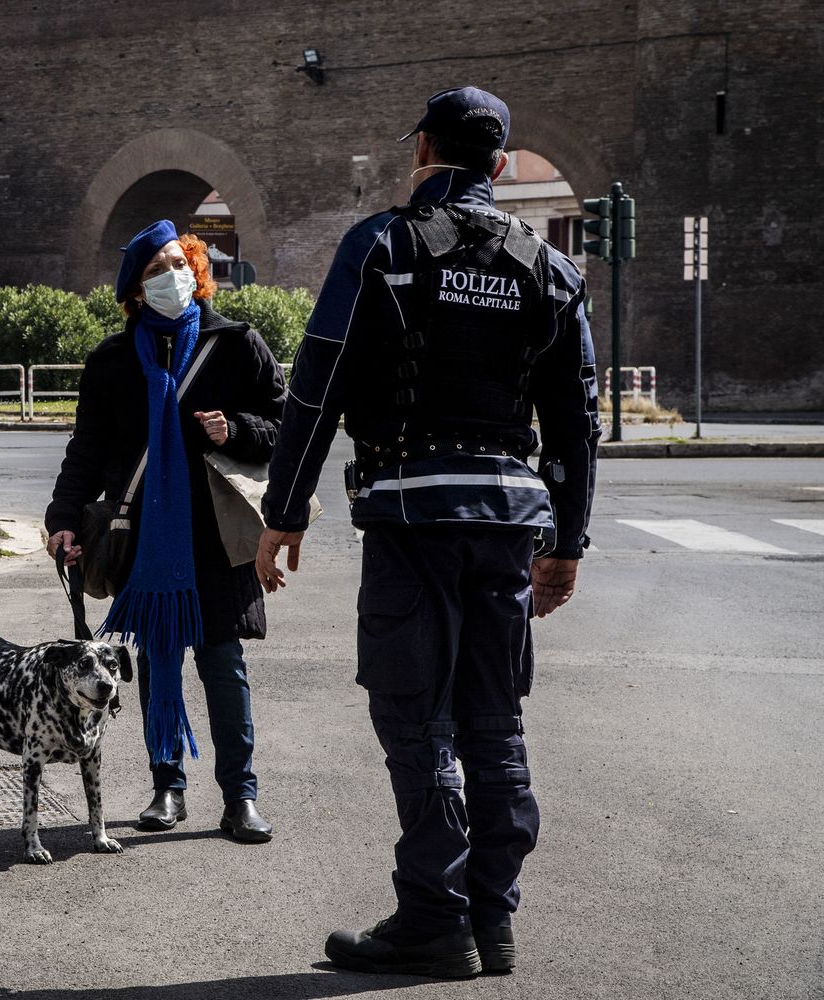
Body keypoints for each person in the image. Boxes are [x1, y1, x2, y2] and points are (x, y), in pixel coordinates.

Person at [255, 87, 600, 977]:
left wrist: (283, 513)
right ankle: (494, 920)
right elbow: (575, 423)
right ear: (496, 165)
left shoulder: (382, 247)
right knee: (494, 719)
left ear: (422, 150)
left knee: (418, 719)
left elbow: (316, 385)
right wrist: (568, 543)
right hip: (510, 525)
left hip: (413, 515)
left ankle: (433, 920)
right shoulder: (548, 268)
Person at [46, 220, 287, 843]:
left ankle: (241, 797)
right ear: (134, 290)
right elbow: (87, 449)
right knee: (155, 662)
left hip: (218, 537)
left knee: (222, 662)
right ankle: (166, 787)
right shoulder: (112, 361)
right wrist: (63, 520)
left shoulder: (236, 344)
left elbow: (284, 427)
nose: (172, 276)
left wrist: (235, 429)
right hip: (144, 536)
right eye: (155, 271)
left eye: (179, 262)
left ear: (198, 268)